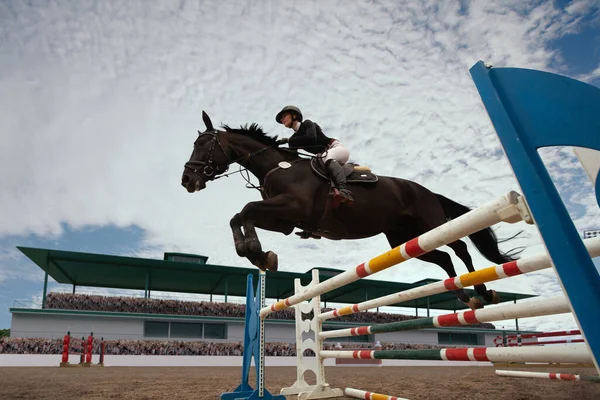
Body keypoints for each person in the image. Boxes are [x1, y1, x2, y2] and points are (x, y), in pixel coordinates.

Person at [274, 105, 354, 206]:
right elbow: (292, 158)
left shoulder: (307, 123)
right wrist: (275, 149)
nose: (282, 119)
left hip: (335, 148)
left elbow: (311, 137)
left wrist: (288, 140)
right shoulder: (293, 139)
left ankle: (344, 191)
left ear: (294, 115)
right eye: (281, 118)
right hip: (322, 157)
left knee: (325, 157)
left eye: (284, 115)